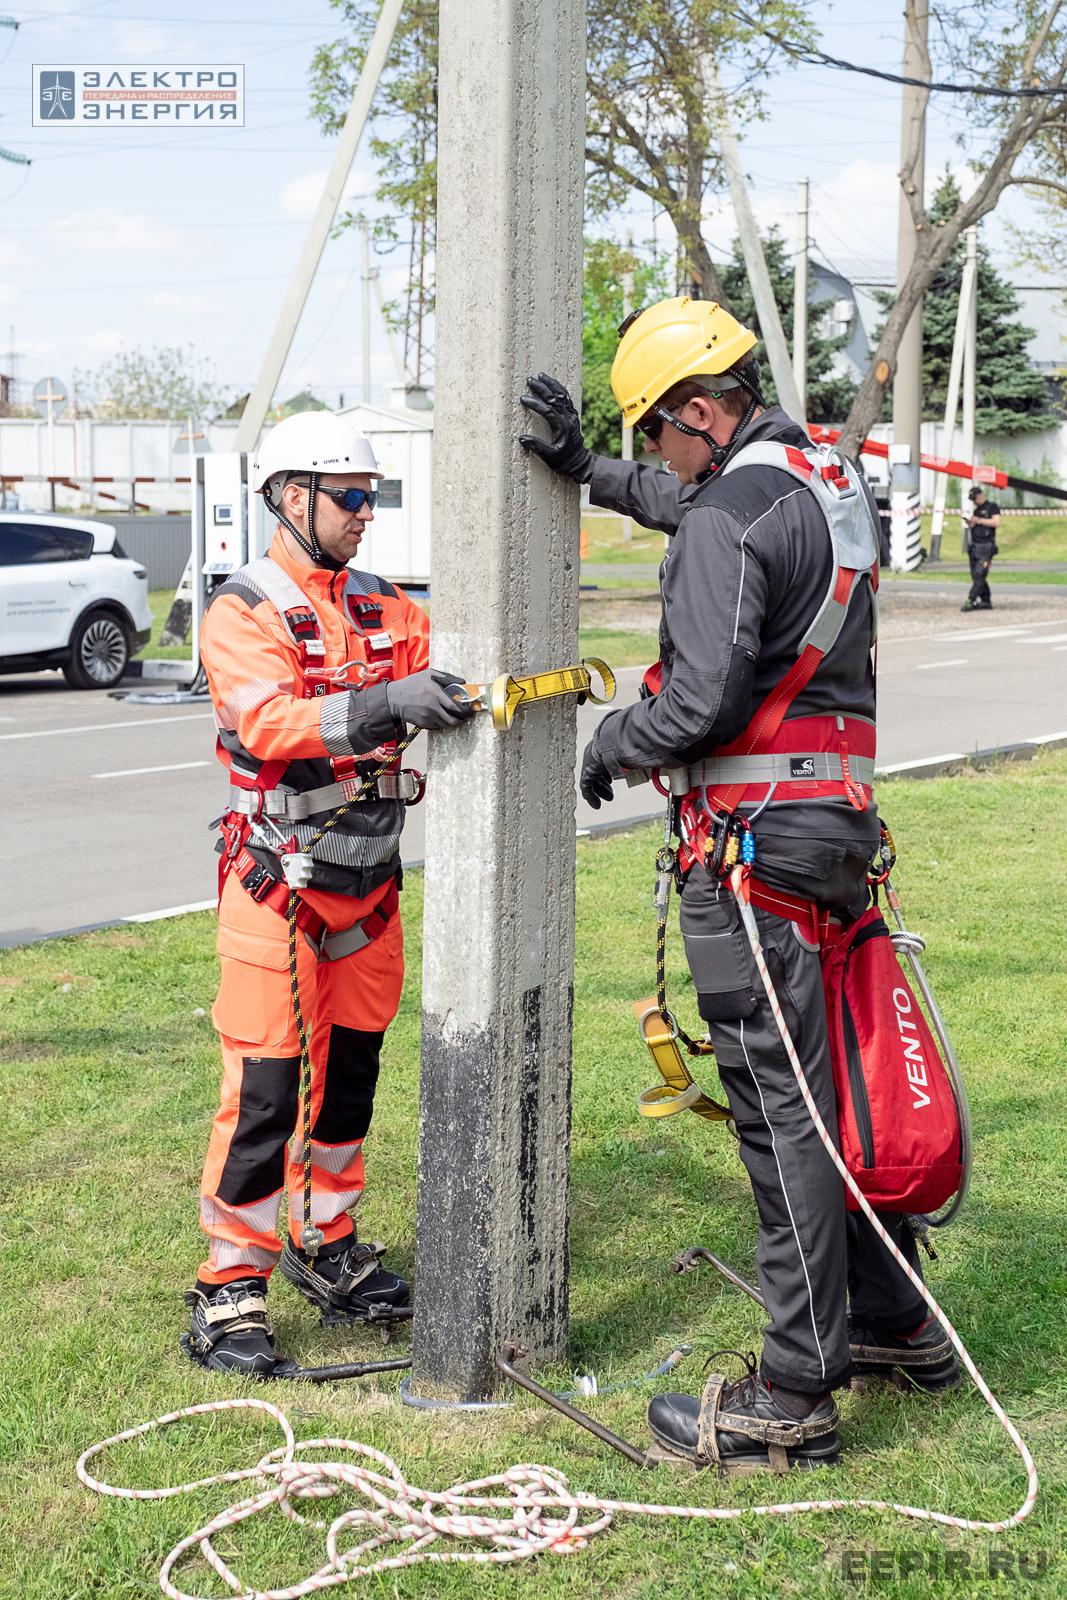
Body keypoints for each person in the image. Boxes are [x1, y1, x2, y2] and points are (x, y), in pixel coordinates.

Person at [520, 296, 958, 1474]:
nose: (658, 458)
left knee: (780, 1116)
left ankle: (792, 1394)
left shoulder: (727, 511)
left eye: (659, 434)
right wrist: (590, 468)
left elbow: (700, 701)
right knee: (830, 1092)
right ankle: (896, 1318)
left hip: (752, 847)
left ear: (702, 412)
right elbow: (697, 504)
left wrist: (616, 738)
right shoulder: (817, 476)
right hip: (831, 833)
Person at [184, 411, 474, 1377]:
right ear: (288, 496)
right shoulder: (244, 609)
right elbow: (265, 722)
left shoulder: (388, 607)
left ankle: (327, 1238)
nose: (365, 513)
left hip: (369, 887)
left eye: (372, 496)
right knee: (265, 1087)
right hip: (277, 882)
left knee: (350, 1075)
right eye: (349, 496)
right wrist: (389, 703)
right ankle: (228, 1286)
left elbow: (447, 660)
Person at [962, 484, 1001, 611]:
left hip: (986, 548)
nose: (974, 501)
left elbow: (996, 522)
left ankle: (971, 599)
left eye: (975, 498)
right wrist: (971, 523)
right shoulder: (977, 510)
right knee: (976, 575)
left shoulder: (992, 507)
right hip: (975, 547)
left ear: (980, 495)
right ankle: (985, 601)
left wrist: (979, 520)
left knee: (980, 574)